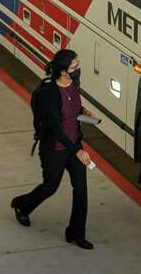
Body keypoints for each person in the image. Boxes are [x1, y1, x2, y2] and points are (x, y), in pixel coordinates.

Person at [10, 48, 94, 249]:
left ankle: (75, 233)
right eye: (74, 67)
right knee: (50, 186)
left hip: (73, 144)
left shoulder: (74, 85)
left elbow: (71, 109)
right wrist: (78, 150)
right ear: (64, 71)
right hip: (55, 149)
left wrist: (82, 111)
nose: (77, 69)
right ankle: (22, 205)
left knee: (81, 189)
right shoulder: (50, 94)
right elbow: (56, 128)